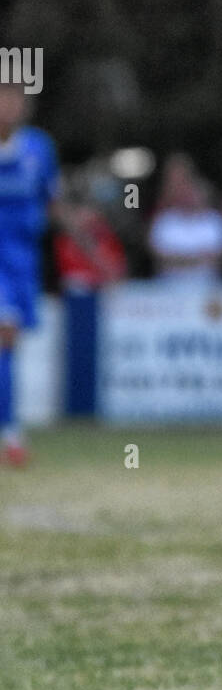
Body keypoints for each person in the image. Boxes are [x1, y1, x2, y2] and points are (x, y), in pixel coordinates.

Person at [0, 82, 60, 466]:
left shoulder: (39, 147)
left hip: (23, 261)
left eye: (16, 98)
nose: (11, 105)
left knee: (10, 344)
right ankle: (12, 435)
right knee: (4, 333)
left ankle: (10, 431)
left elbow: (51, 204)